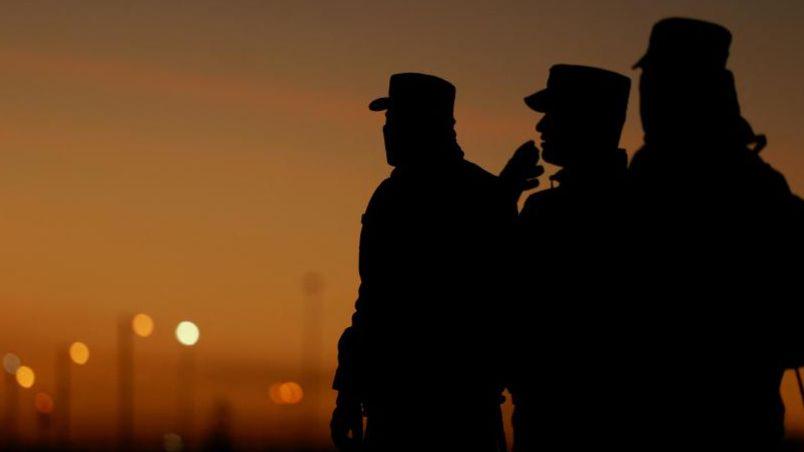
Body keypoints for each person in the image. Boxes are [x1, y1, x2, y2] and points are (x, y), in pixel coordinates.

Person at [628, 18, 804, 451]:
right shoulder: (753, 180)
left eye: (659, 78)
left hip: (717, 413)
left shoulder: (739, 183)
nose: (648, 91)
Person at [330, 73, 517, 452]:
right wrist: (348, 391)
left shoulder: (477, 196)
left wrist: (350, 391)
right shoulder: (397, 193)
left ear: (423, 125)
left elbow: (501, 304)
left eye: (394, 121)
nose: (386, 132)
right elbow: (372, 304)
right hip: (401, 407)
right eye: (387, 122)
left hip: (452, 412)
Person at [507, 64, 633, 451]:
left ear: (587, 121)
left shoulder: (549, 212)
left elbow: (498, 291)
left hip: (559, 420)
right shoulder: (643, 204)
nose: (541, 126)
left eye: (554, 114)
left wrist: (498, 203)